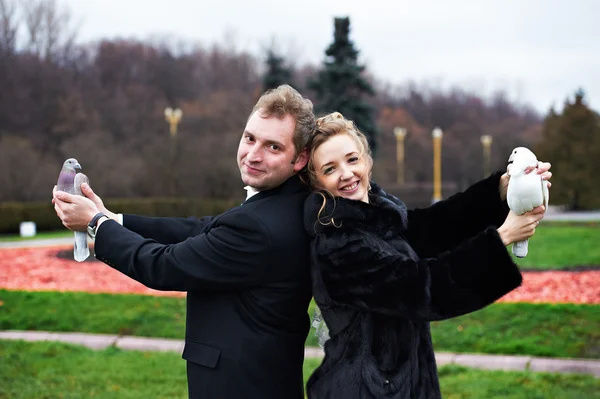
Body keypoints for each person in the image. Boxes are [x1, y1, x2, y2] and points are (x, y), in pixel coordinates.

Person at [53, 85, 316, 399]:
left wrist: (95, 224)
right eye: (249, 138)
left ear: (299, 158)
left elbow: (163, 266)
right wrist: (112, 217)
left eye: (273, 147)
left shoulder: (260, 226)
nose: (253, 155)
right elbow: (202, 229)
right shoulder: (285, 204)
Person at [302, 112, 551, 399]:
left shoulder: (376, 219)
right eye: (330, 169)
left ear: (366, 161)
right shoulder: (337, 246)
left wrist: (500, 189)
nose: (346, 173)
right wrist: (502, 237)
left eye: (352, 159)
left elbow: (434, 227)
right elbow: (421, 288)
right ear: (317, 183)